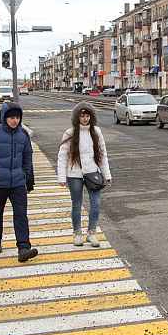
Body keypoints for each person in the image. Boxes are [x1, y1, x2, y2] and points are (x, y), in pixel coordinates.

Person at [0, 101, 39, 262]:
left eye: (17, 117)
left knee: (21, 215)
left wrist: (29, 181)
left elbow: (27, 159)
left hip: (18, 182)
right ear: (4, 117)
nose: (15, 120)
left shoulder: (23, 135)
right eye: (11, 117)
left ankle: (24, 247)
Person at [57, 102, 111, 248]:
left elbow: (102, 154)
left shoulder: (96, 132)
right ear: (77, 118)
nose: (85, 119)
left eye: (87, 116)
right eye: (82, 116)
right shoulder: (70, 133)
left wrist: (106, 174)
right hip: (74, 174)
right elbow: (62, 156)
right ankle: (77, 234)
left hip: (92, 172)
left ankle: (92, 233)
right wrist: (61, 177)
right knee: (77, 204)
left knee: (96, 204)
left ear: (91, 117)